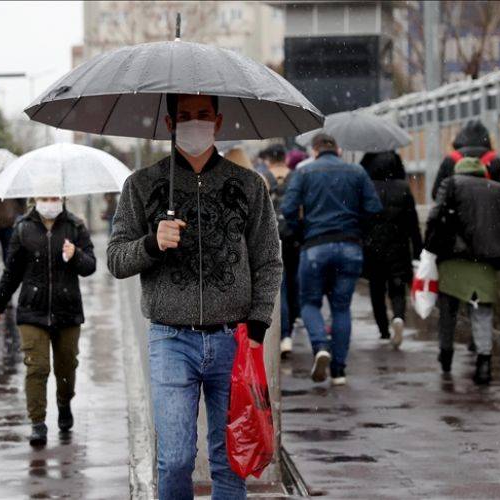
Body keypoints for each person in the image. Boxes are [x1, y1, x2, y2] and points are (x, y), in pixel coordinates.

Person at [108, 93, 282, 500]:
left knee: (229, 460)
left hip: (232, 338)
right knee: (175, 459)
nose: (195, 123)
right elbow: (115, 259)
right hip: (171, 339)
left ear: (218, 122)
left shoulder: (249, 185)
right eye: (185, 116)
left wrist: (257, 324)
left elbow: (269, 261)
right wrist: (152, 243)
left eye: (203, 115)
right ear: (170, 125)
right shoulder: (142, 185)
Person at [0, 196, 96, 447]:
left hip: (67, 310)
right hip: (32, 310)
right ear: (36, 200)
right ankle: (37, 422)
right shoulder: (23, 228)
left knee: (66, 366)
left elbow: (90, 266)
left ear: (63, 199)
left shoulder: (75, 226)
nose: (50, 202)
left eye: (55, 197)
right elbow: (11, 271)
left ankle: (64, 402)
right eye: (45, 198)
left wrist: (76, 254)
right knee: (37, 368)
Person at [281, 133, 382, 386]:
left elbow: (288, 209)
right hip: (350, 247)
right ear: (337, 149)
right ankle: (339, 370)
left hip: (315, 246)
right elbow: (373, 208)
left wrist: (301, 231)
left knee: (309, 302)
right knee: (340, 307)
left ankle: (320, 346)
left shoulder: (304, 173)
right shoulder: (357, 172)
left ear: (314, 151)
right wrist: (357, 232)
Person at [424, 157, 500, 385]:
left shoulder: (451, 184)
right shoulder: (497, 189)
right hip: (485, 262)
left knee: (448, 311)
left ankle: (446, 355)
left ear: (459, 170)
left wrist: (428, 249)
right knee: (481, 312)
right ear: (481, 171)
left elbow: (435, 217)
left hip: (453, 259)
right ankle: (484, 364)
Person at [361, 151, 422, 347]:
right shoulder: (404, 188)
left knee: (376, 289)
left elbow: (361, 219)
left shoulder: (368, 187)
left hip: (373, 247)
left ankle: (384, 331)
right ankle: (398, 317)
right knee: (397, 287)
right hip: (399, 246)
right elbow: (413, 223)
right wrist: (419, 250)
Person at [262, 144, 302, 356]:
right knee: (295, 281)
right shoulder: (296, 177)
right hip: (293, 237)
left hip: (272, 238)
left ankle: (284, 334)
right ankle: (293, 322)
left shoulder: (263, 176)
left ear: (269, 158)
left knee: (281, 286)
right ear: (285, 158)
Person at [431, 120, 500, 200]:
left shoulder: (450, 160)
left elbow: (436, 193)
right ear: (488, 139)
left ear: (459, 138)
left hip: (456, 211)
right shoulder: (494, 160)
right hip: (487, 210)